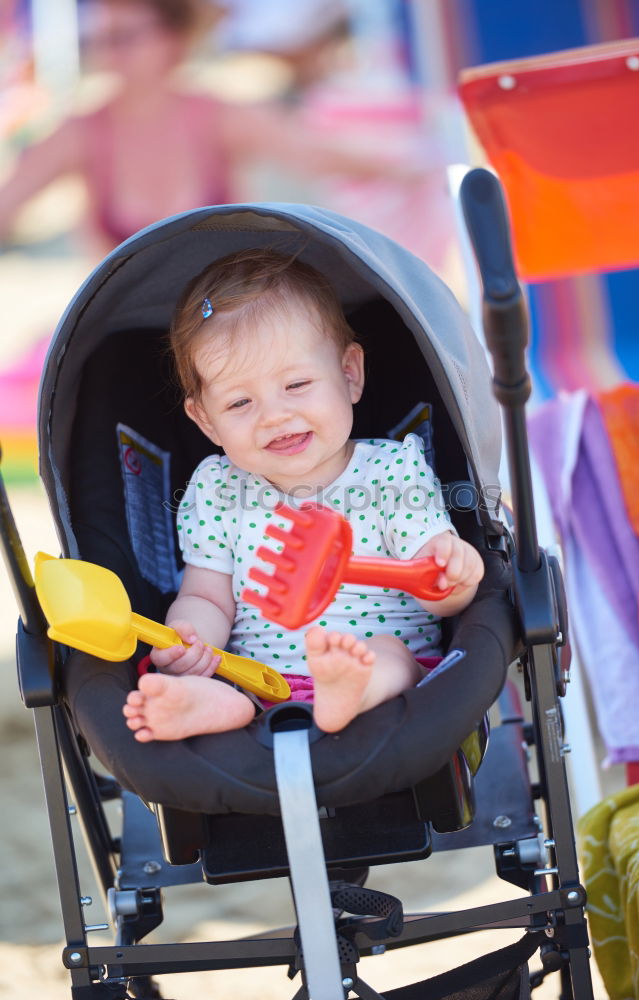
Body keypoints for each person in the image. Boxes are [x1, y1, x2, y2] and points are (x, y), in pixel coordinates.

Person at [123, 248, 484, 740]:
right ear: (206, 420)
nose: (273, 416)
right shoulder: (217, 489)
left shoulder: (391, 472)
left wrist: (455, 576)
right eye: (240, 402)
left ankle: (351, 688)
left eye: (296, 384)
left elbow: (435, 586)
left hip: (384, 670)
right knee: (228, 679)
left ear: (349, 375)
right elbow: (207, 596)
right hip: (261, 680)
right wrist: (191, 640)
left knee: (391, 656)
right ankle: (211, 704)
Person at [0, 0, 429, 259]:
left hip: (222, 326)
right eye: (100, 38)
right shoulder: (82, 133)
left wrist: (418, 168)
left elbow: (315, 154)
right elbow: (8, 204)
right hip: (125, 327)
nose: (109, 52)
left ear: (174, 39)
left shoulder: (215, 116)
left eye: (124, 36)